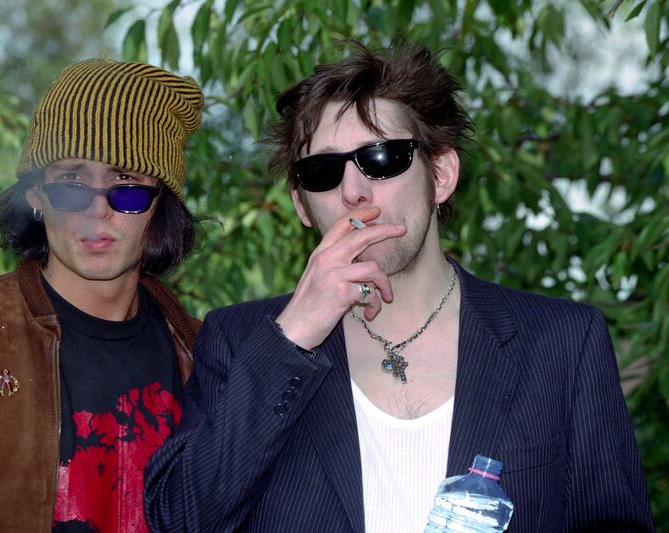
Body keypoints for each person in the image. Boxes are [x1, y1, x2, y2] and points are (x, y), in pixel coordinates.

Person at [144, 40, 654, 532]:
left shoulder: (563, 341)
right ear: (301, 204)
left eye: (382, 157)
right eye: (322, 171)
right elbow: (182, 519)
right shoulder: (239, 341)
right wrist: (292, 336)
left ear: (442, 174)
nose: (353, 191)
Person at [0, 58, 204, 532]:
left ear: (160, 203)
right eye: (71, 183)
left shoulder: (208, 358)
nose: (98, 209)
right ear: (36, 195)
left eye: (126, 186)